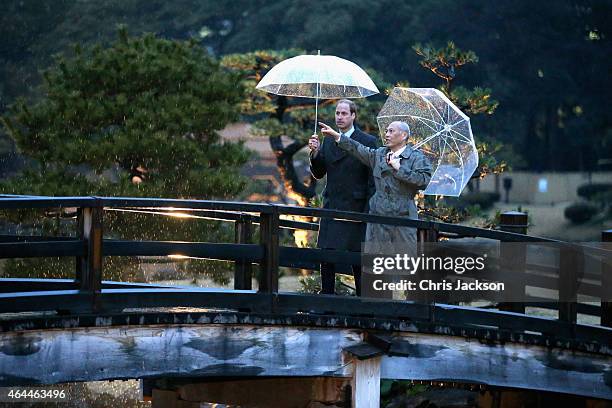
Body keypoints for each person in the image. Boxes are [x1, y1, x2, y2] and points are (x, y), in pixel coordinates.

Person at [317, 120, 432, 253]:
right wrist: (337, 136)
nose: (387, 134)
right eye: (387, 131)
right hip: (378, 215)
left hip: (403, 215)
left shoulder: (416, 158)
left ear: (404, 135)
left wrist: (399, 168)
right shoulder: (380, 154)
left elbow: (424, 181)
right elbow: (358, 149)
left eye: (391, 131)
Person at [308, 99, 378, 296]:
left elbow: (372, 181)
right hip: (333, 203)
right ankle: (326, 297)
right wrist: (314, 153)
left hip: (357, 206)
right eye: (337, 113)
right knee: (326, 252)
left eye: (344, 113)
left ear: (353, 116)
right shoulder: (328, 140)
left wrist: (369, 211)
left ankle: (363, 300)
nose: (339, 117)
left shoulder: (367, 141)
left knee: (358, 255)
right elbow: (319, 173)